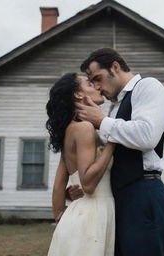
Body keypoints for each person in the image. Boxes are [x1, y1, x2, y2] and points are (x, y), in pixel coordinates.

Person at [75, 48, 164, 256]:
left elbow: (147, 136)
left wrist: (101, 121)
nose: (97, 87)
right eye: (92, 82)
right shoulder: (113, 108)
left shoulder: (148, 87)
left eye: (98, 78)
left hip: (144, 193)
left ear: (115, 67)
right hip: (116, 199)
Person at [46, 73, 115, 256]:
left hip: (79, 217)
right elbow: (89, 184)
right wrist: (113, 143)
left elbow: (58, 187)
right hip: (92, 215)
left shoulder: (70, 130)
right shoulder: (84, 128)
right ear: (78, 94)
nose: (98, 87)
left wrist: (62, 216)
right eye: (90, 84)